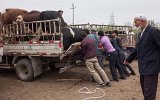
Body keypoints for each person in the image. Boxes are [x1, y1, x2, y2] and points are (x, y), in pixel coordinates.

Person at [124, 14, 160, 100]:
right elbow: (137, 49)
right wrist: (129, 59)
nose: (135, 24)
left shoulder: (153, 31)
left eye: (136, 22)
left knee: (149, 92)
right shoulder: (141, 33)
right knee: (145, 89)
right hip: (143, 66)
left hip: (151, 66)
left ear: (142, 21)